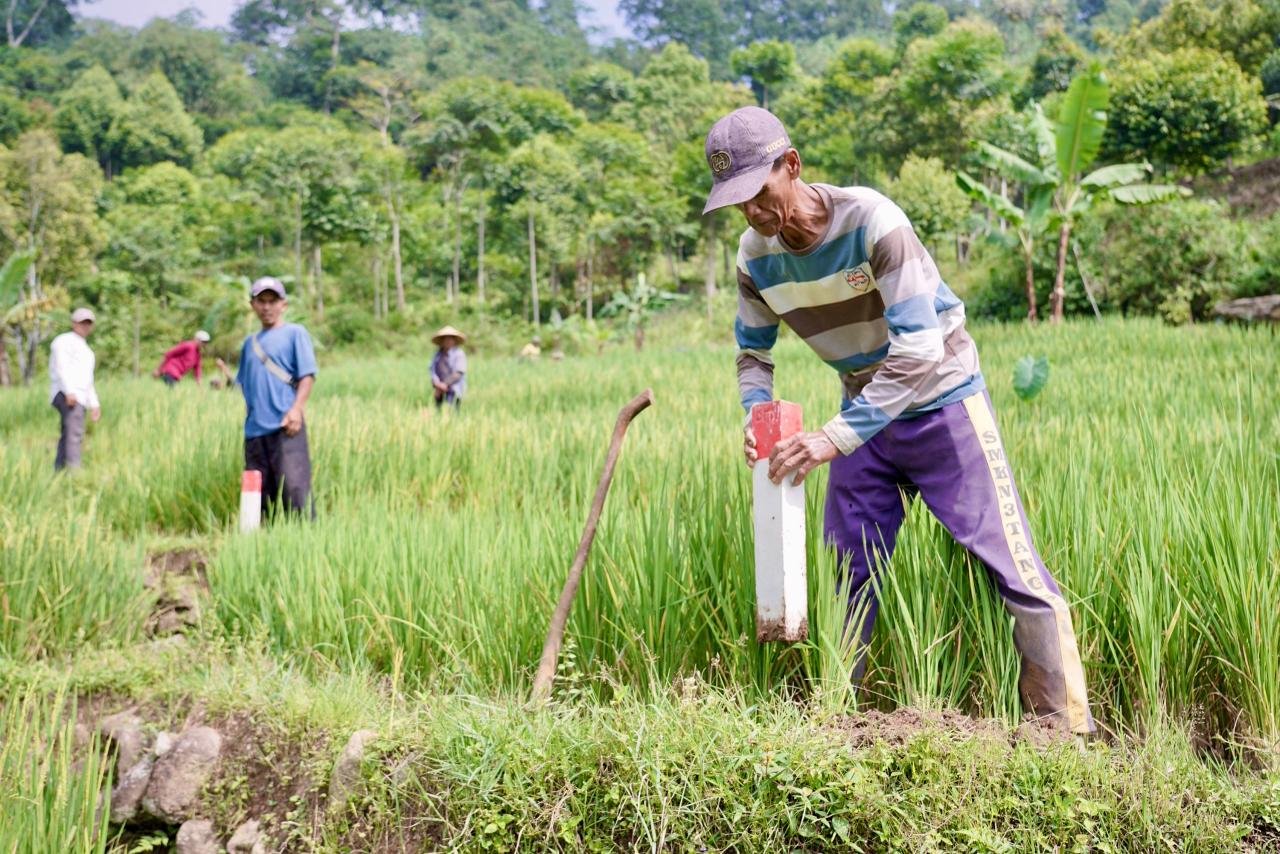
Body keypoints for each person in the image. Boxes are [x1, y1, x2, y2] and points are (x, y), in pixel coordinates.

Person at [705, 106, 1094, 735]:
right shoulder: (756, 260)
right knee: (846, 572)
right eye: (736, 201)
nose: (751, 211)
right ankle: (836, 727)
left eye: (758, 191)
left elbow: (918, 350)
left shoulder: (873, 221)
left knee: (1009, 562)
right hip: (864, 412)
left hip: (943, 401)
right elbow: (753, 354)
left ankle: (1066, 729)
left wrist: (833, 437)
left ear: (792, 166)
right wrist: (757, 414)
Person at [236, 277, 317, 520]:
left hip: (286, 427)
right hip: (254, 434)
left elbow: (307, 376)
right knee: (258, 499)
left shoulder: (295, 333)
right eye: (262, 301)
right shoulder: (248, 345)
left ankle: (304, 546)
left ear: (284, 304)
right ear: (253, 305)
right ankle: (260, 548)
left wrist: (296, 410)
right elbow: (244, 383)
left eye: (273, 301)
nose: (267, 307)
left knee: (295, 492)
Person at [48, 307, 101, 471]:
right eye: (82, 322)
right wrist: (69, 391)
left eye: (88, 323)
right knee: (74, 434)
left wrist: (94, 403)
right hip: (68, 395)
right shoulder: (63, 341)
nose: (85, 326)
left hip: (80, 396)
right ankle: (74, 472)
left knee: (68, 433)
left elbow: (88, 380)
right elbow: (61, 367)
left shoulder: (87, 351)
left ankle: (59, 469)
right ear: (74, 323)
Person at [430, 325, 467, 410]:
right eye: (445, 339)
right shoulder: (437, 355)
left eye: (450, 339)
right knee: (438, 412)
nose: (448, 341)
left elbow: (458, 373)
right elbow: (432, 370)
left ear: (454, 341)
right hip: (439, 390)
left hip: (454, 389)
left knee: (453, 412)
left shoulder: (459, 354)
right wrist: (437, 383)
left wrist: (445, 384)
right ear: (442, 341)